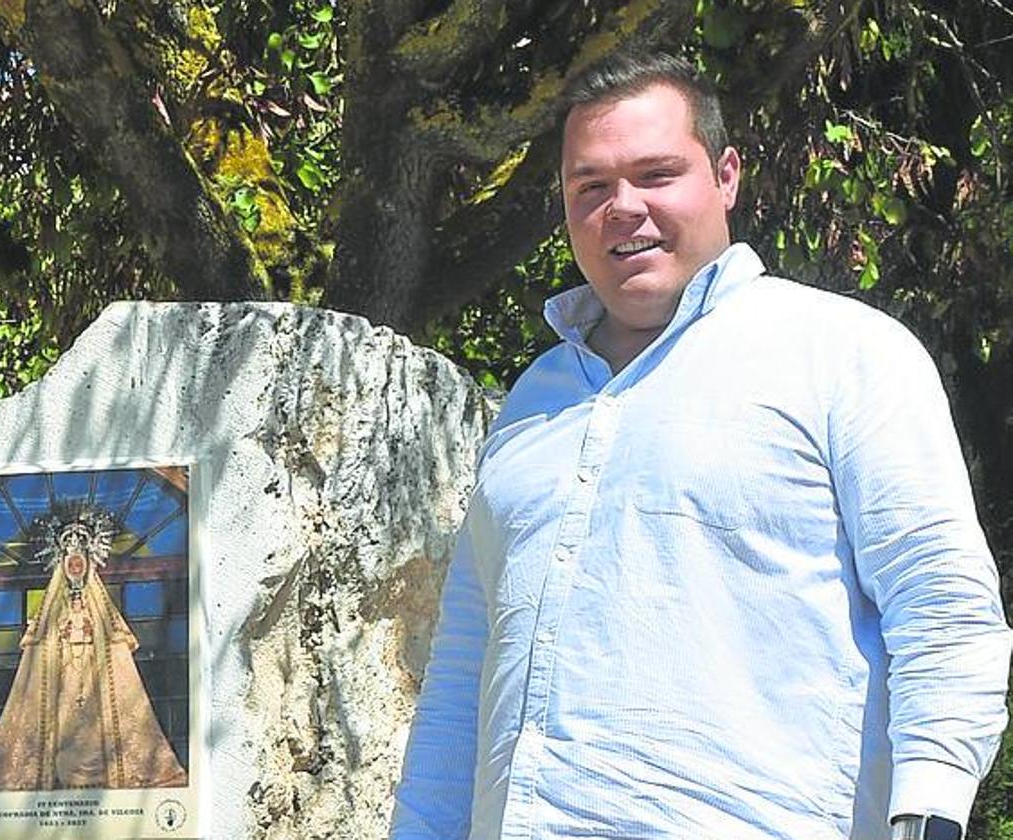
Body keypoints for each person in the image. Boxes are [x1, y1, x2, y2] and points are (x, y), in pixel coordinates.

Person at [390, 52, 1012, 840]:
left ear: (725, 177)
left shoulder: (842, 354)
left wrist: (929, 813)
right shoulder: (530, 407)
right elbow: (462, 673)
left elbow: (943, 609)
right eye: (592, 186)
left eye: (656, 174)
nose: (624, 208)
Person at [0, 507, 187, 791]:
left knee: (94, 734)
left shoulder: (100, 608)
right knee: (63, 734)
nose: (75, 566)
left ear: (88, 564)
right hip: (62, 682)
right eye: (70, 561)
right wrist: (60, 635)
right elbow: (39, 647)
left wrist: (96, 636)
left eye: (80, 561)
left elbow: (115, 645)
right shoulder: (51, 610)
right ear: (63, 565)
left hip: (95, 681)